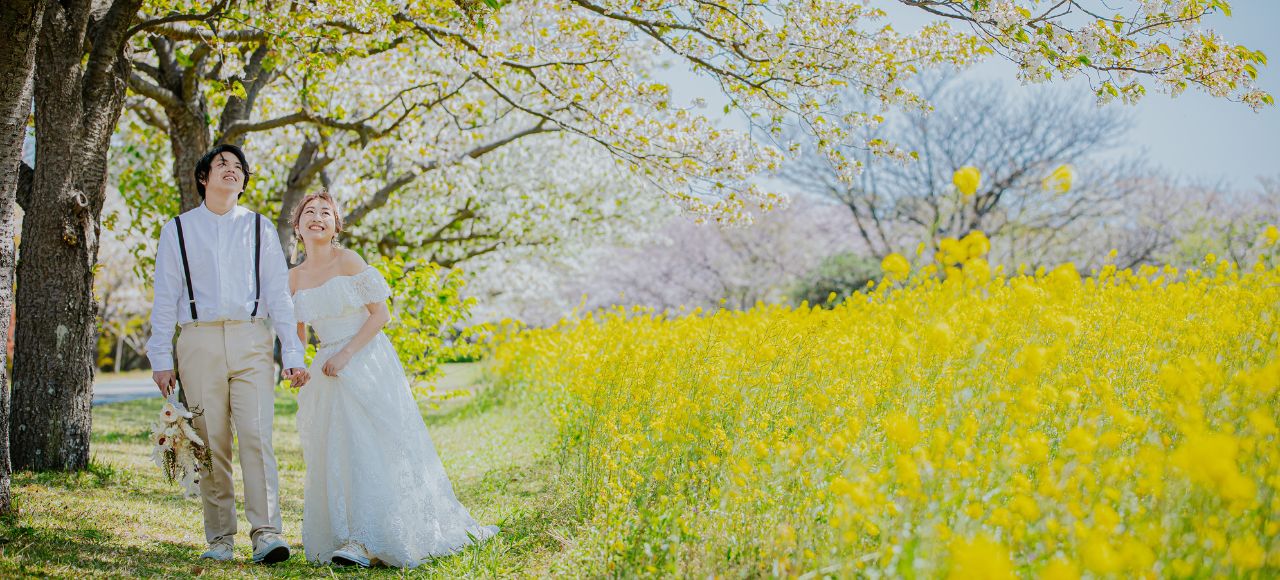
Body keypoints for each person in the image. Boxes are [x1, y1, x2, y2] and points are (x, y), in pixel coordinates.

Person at [287, 190, 498, 568]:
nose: (317, 217)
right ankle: (346, 534)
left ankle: (368, 539)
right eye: (309, 212)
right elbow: (298, 333)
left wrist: (347, 354)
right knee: (336, 449)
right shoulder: (293, 277)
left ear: (336, 225)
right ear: (297, 224)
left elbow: (380, 315)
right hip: (325, 368)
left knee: (371, 444)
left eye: (325, 212)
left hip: (364, 357)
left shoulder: (349, 260)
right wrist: (298, 366)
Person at [146, 144, 310, 564]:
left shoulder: (259, 228)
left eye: (238, 167)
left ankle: (267, 533)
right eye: (222, 165)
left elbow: (278, 294)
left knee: (257, 436)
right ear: (204, 177)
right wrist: (161, 358)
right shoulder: (178, 229)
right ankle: (219, 538)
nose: (231, 171)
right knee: (211, 441)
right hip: (197, 341)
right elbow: (165, 297)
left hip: (251, 339)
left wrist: (291, 351)